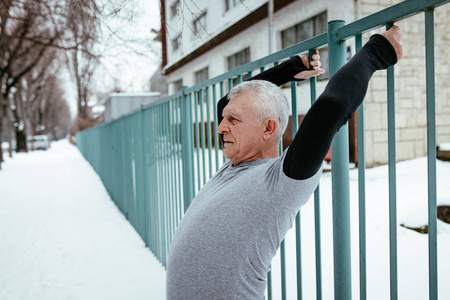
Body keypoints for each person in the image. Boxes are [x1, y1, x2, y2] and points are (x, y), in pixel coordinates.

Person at [166, 26, 403, 299]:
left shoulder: (280, 180)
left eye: (233, 120)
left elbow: (330, 108)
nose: (221, 127)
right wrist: (287, 72)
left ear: (268, 129)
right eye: (224, 119)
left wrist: (375, 52)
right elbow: (226, 102)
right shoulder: (233, 165)